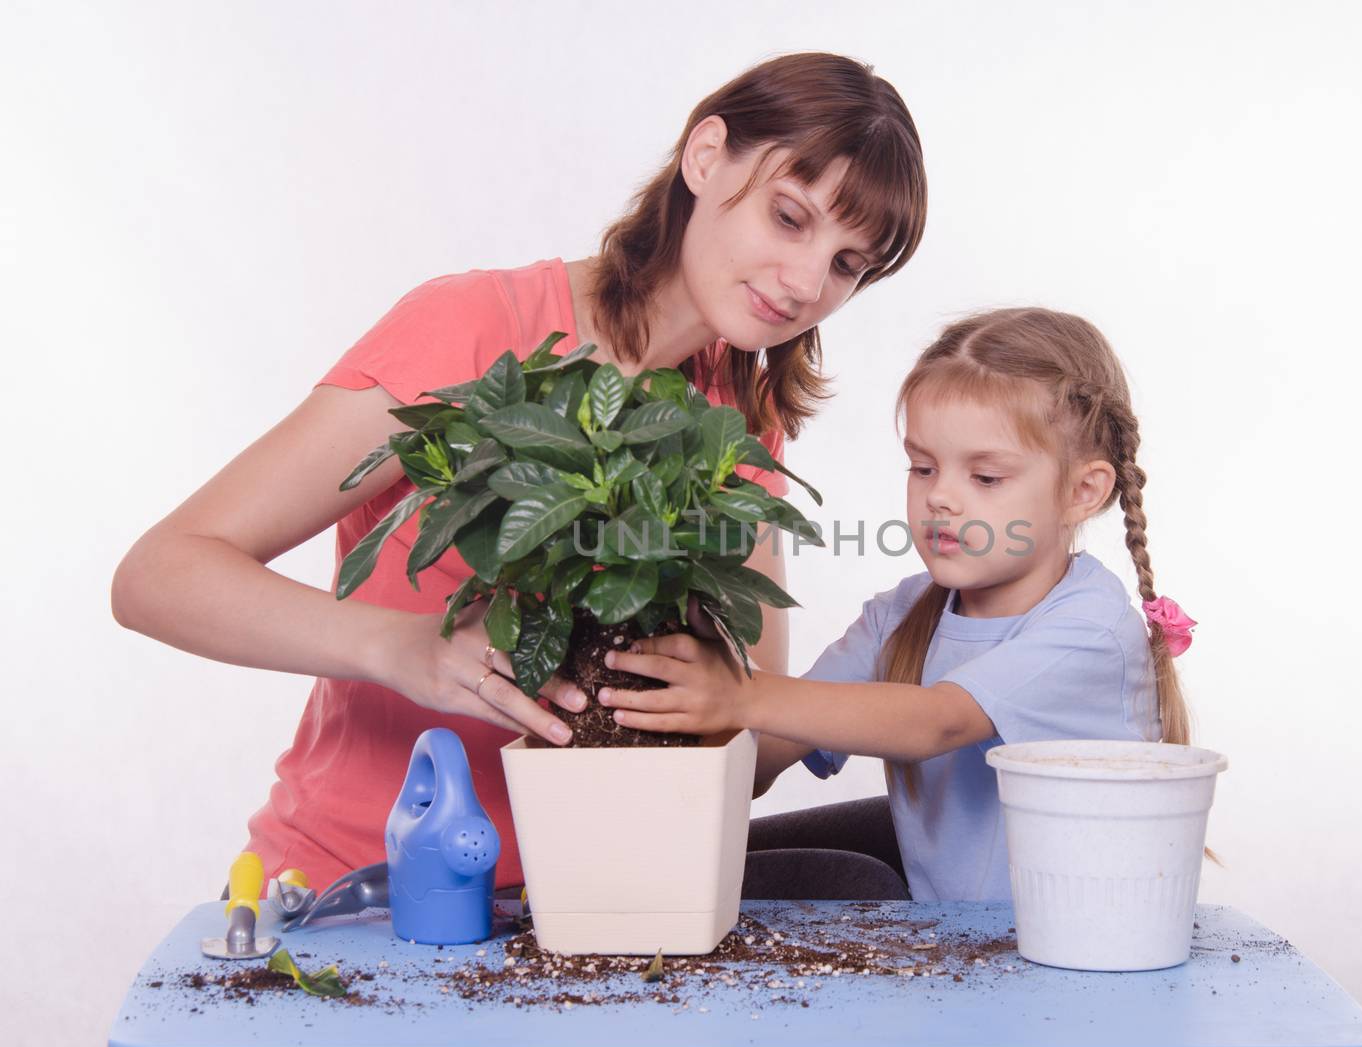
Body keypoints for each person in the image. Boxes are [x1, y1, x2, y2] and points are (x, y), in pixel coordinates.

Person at [109, 52, 928, 892]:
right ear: (705, 154)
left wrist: (913, 642)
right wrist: (402, 646)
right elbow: (158, 574)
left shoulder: (733, 420)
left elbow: (742, 746)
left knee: (888, 864)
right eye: (789, 217)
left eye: (847, 264)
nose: (804, 284)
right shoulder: (474, 329)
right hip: (374, 888)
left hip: (588, 895)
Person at [596, 307, 1200, 901]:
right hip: (953, 919)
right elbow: (765, 752)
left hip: (1061, 946)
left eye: (985, 478)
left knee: (859, 883)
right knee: (726, 854)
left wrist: (740, 691)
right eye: (922, 467)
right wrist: (676, 675)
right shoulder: (904, 612)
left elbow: (937, 721)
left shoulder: (1089, 627)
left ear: (1081, 491)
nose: (940, 497)